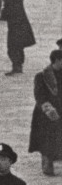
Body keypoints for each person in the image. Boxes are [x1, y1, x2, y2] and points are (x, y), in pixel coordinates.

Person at [28, 46, 62, 176]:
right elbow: (40, 96)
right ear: (57, 60)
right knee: (47, 141)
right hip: (46, 115)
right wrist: (49, 110)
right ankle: (47, 164)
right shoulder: (42, 77)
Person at [0, 0, 35, 75]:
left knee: (12, 47)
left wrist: (1, 17)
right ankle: (19, 66)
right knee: (19, 46)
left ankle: (16, 67)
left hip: (14, 26)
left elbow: (8, 10)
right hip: (22, 24)